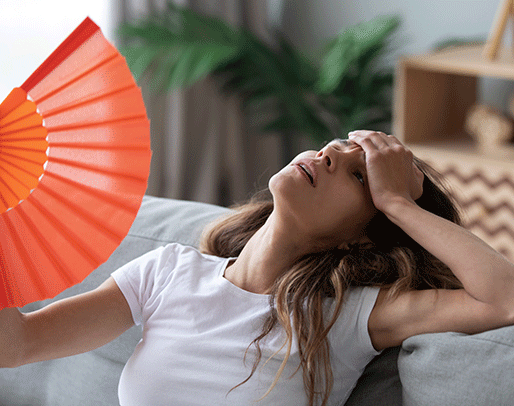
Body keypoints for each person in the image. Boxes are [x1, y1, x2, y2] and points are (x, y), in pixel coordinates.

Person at [1, 130, 513, 406]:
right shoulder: (166, 272)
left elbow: (502, 299)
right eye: (335, 145)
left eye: (359, 175)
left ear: (364, 233)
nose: (329, 154)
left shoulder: (348, 315)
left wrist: (402, 204)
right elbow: (16, 346)